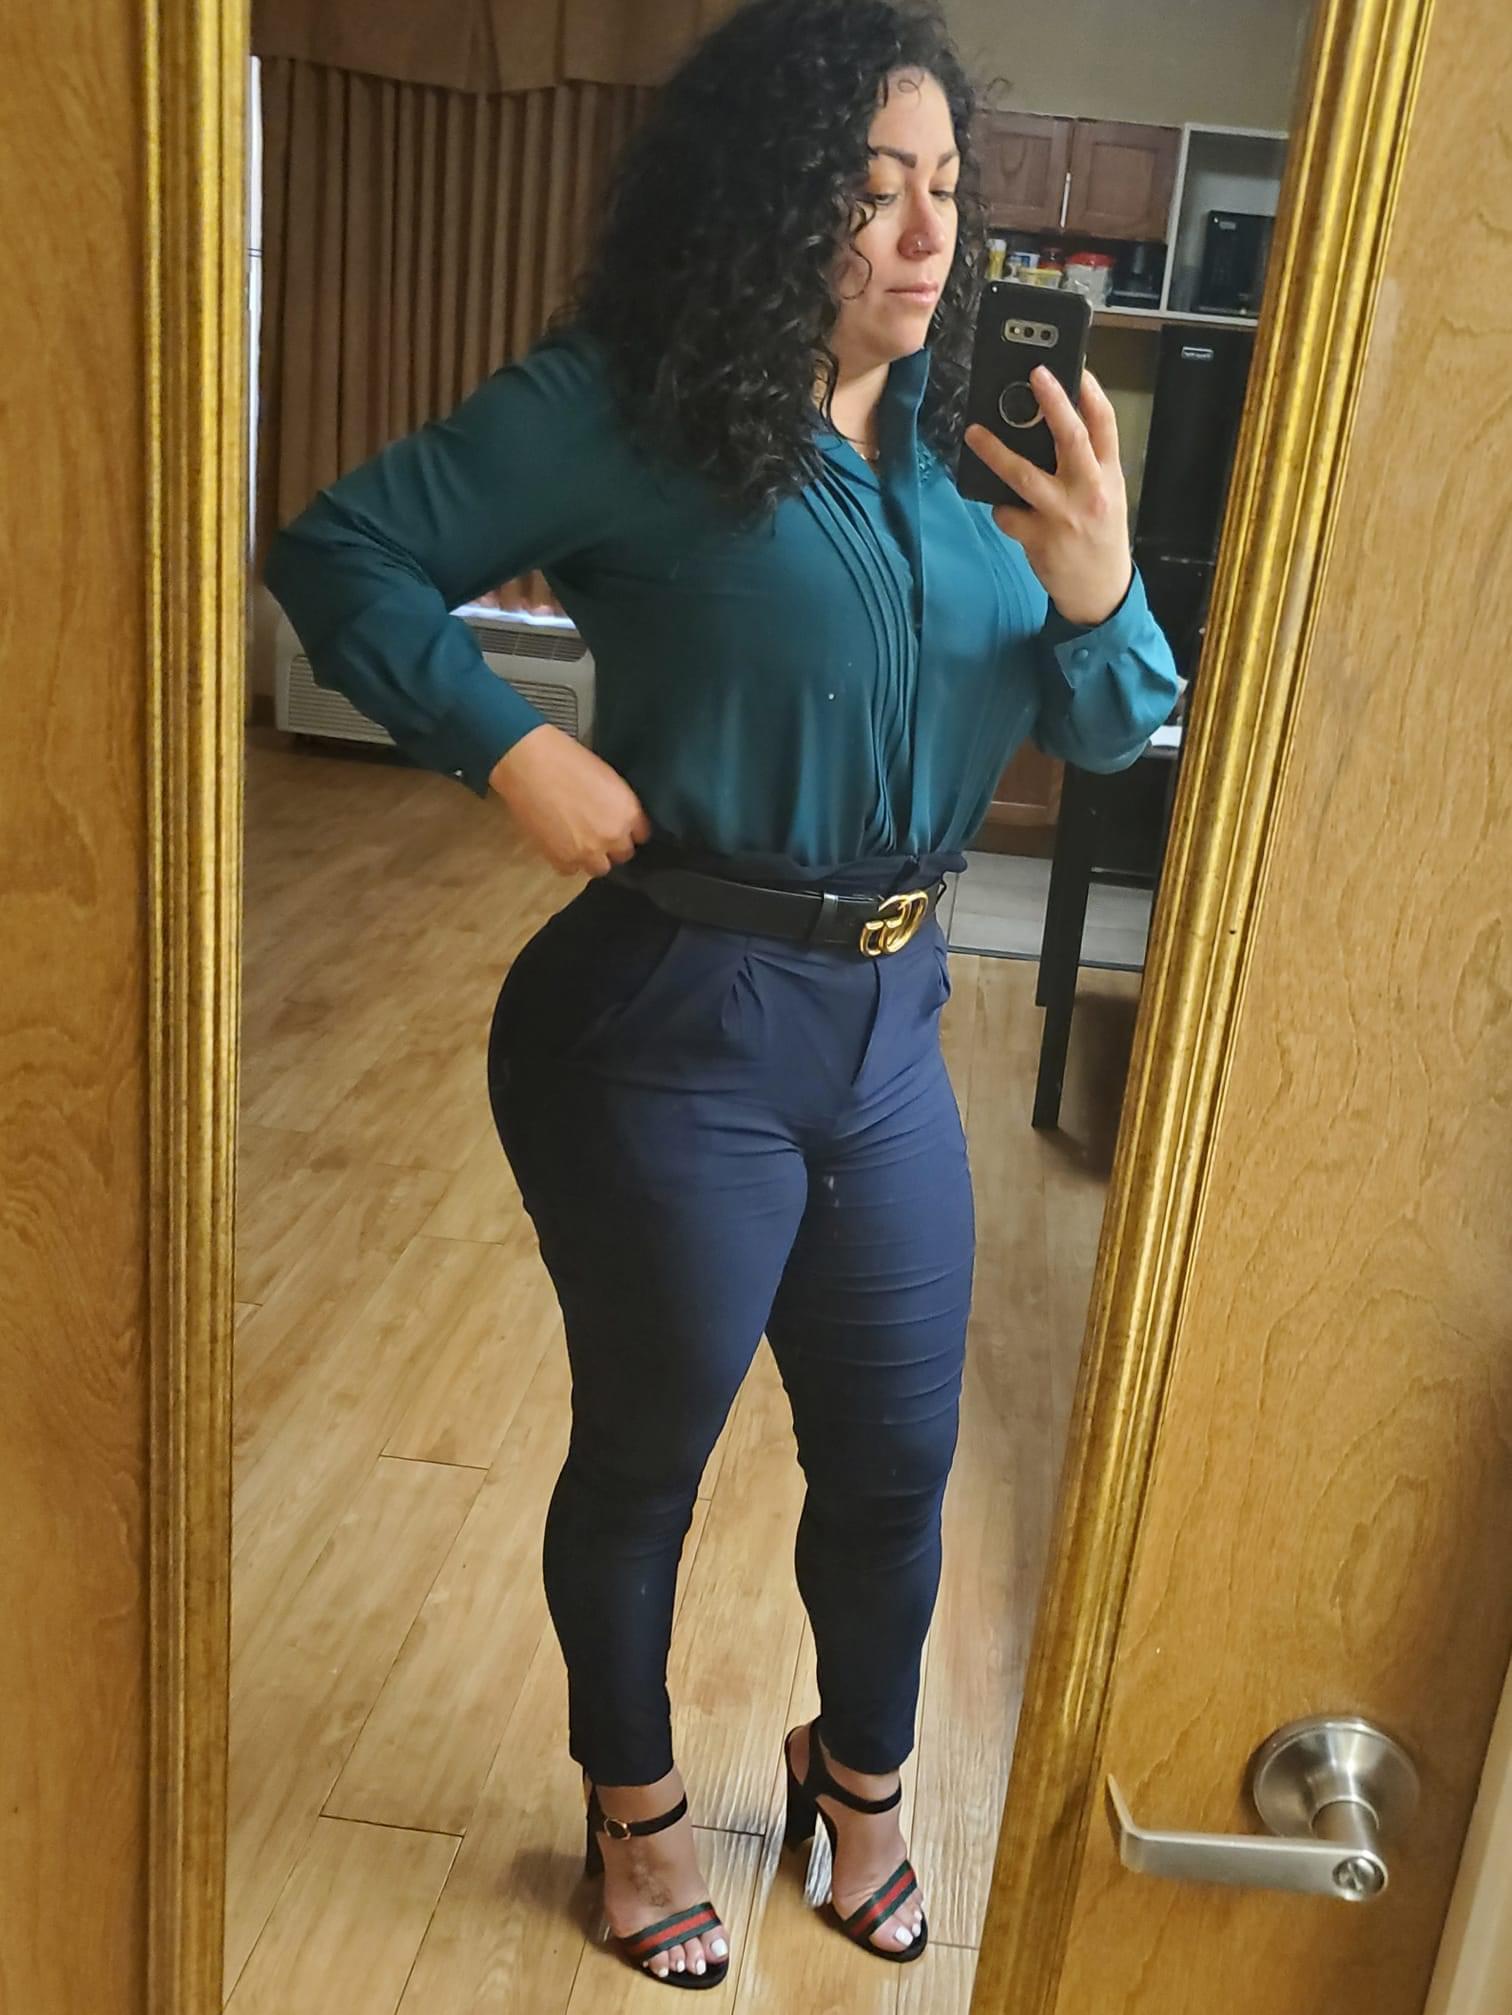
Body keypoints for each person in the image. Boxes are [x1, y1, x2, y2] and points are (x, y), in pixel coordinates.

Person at [265, 0, 1181, 1987]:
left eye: (947, 188)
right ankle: (633, 1800)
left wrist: (1106, 585)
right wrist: (506, 744)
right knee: (649, 1458)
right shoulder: (630, 408)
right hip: (666, 1031)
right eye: (872, 189)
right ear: (770, 204)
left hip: (890, 1034)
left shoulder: (977, 457)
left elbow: (1116, 730)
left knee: (897, 1460)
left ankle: (858, 1777)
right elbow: (345, 557)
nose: (926, 233)